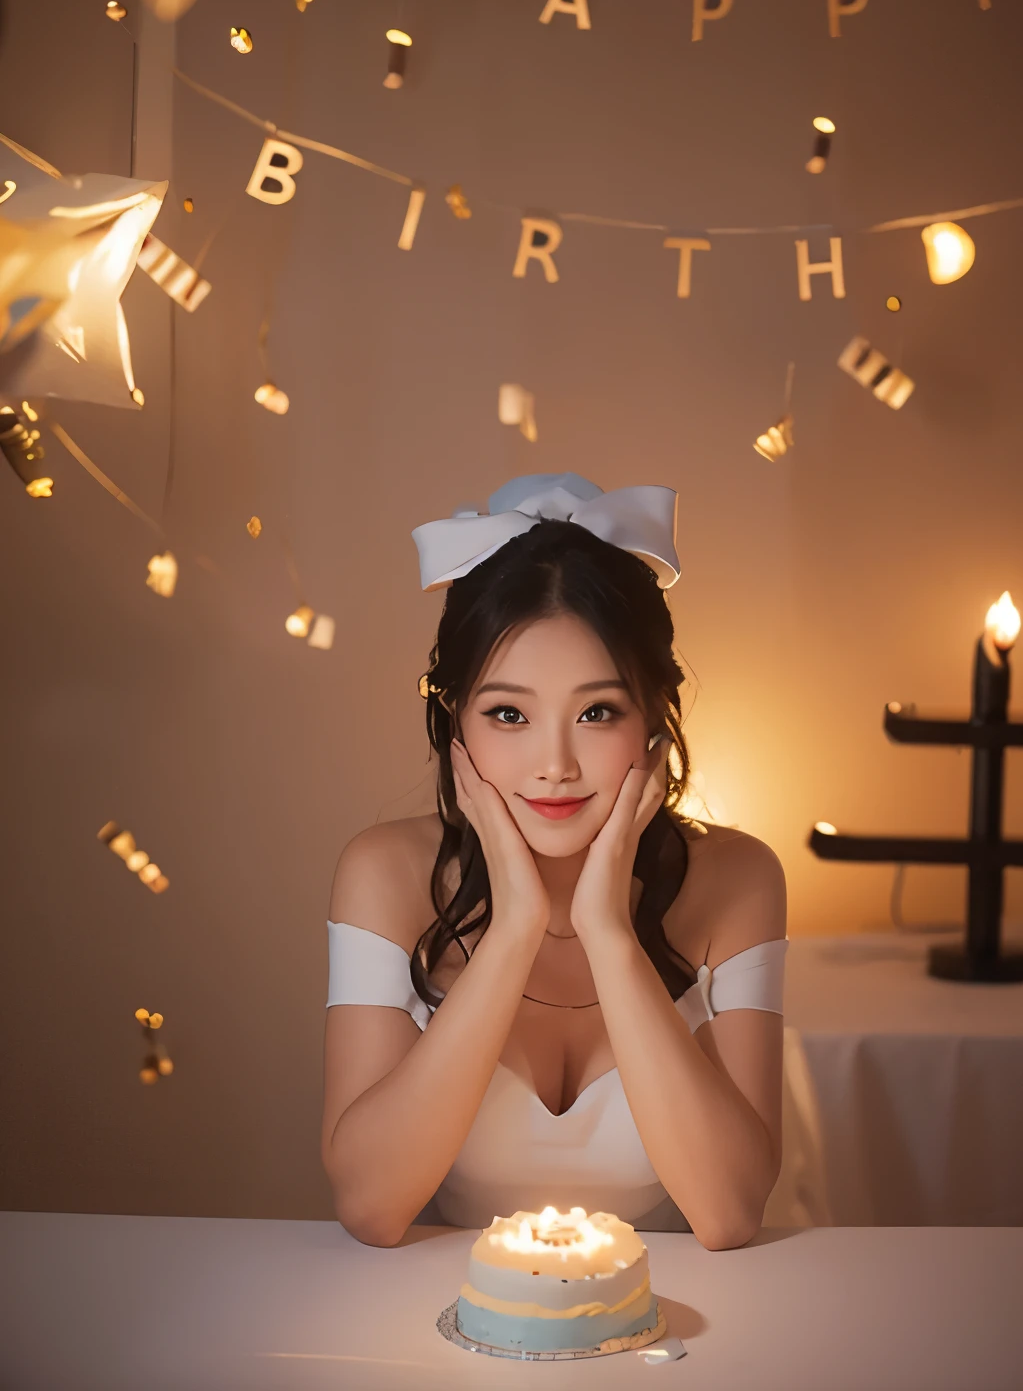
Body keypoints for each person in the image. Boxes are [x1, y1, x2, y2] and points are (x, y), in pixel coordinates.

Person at [322, 474, 788, 1250]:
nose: (555, 765)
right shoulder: (384, 876)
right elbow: (371, 1207)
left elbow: (731, 1213)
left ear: (652, 720)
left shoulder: (738, 882)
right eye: (509, 714)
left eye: (596, 712)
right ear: (455, 723)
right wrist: (515, 931)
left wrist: (607, 932)